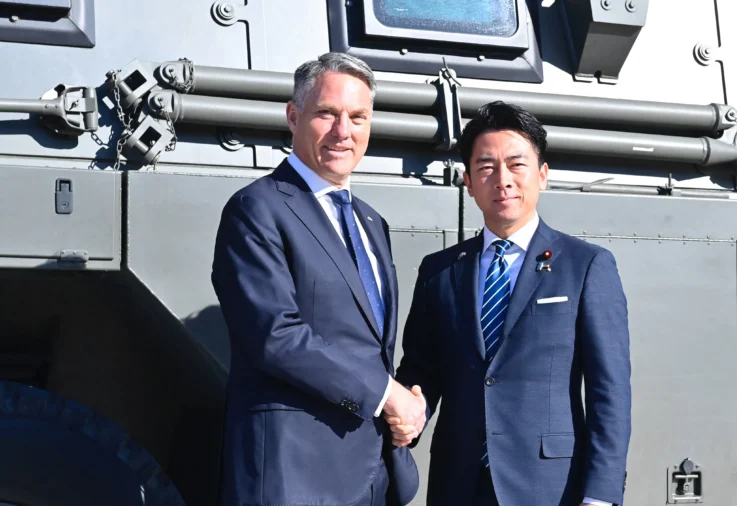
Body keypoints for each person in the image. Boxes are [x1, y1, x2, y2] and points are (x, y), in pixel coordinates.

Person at [391, 101, 631, 506]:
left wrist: (601, 495)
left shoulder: (586, 265)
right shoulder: (439, 271)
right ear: (468, 181)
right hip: (457, 484)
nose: (502, 180)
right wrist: (409, 416)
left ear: (542, 175)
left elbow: (610, 390)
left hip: (551, 487)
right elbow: (421, 370)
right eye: (486, 167)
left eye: (517, 165)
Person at [211, 52, 424, 506]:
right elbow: (274, 335)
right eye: (327, 113)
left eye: (358, 117)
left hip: (372, 475)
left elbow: (367, 346)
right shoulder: (256, 209)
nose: (343, 131)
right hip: (295, 476)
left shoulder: (371, 222)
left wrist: (404, 405)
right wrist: (386, 394)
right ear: (294, 116)